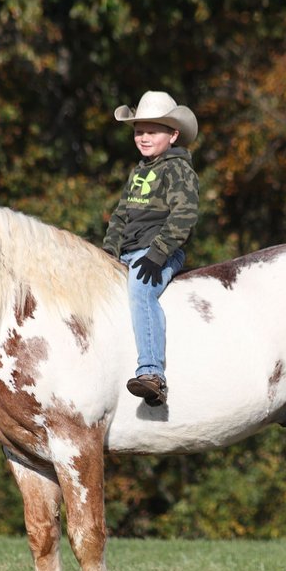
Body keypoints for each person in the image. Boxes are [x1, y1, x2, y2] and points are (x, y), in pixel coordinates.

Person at [103, 90, 200, 407]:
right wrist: (107, 254)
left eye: (153, 130)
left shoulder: (177, 170)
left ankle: (152, 375)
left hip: (159, 253)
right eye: (138, 131)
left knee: (142, 291)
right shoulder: (138, 172)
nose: (144, 137)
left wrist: (158, 254)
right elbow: (120, 216)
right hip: (128, 253)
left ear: (173, 134)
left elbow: (184, 215)